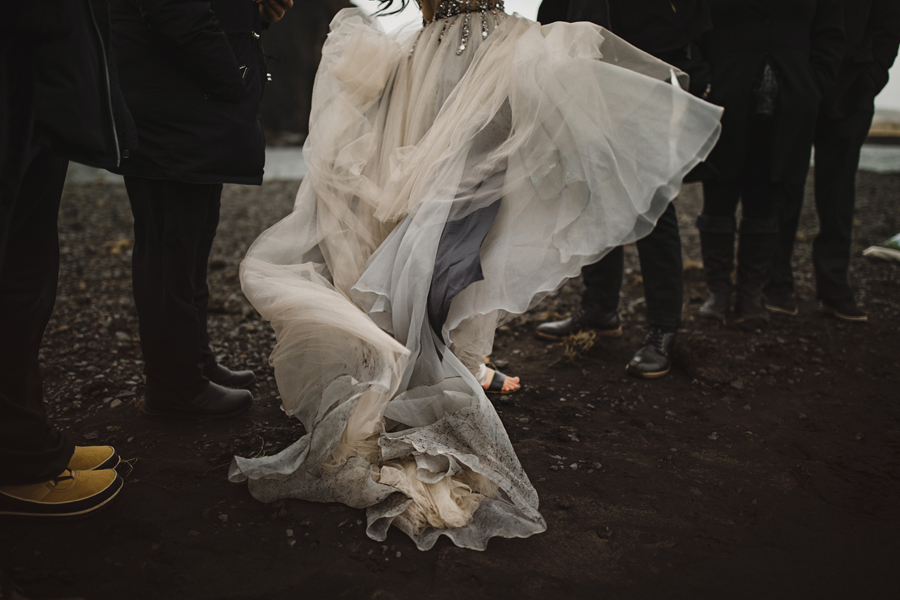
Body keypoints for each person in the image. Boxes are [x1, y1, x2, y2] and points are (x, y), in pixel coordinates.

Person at [228, 0, 721, 550]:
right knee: (439, 221)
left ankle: (446, 357)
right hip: (468, 58)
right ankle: (436, 359)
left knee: (461, 221)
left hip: (464, 59)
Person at [107, 0, 292, 420]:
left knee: (191, 239)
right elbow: (175, 9)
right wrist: (232, 77)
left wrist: (255, 13)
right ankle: (175, 385)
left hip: (187, 98)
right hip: (170, 97)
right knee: (169, 245)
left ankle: (194, 362)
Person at [1, 0, 132, 517]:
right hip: (18, 52)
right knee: (14, 279)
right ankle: (17, 461)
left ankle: (30, 440)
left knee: (28, 272)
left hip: (38, 64)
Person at [535, 0, 713, 379]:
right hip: (583, 75)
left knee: (652, 198)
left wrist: (692, 68)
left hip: (647, 71)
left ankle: (663, 326)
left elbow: (696, 17)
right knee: (595, 195)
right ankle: (600, 307)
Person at [696, 0, 843, 326]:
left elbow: (830, 34)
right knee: (718, 194)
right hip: (723, 98)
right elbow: (694, 26)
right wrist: (704, 81)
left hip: (788, 103)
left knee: (766, 198)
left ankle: (751, 293)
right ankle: (718, 292)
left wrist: (814, 84)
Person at [765, 0, 900, 322]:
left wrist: (872, 77)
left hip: (853, 87)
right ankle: (777, 284)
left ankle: (834, 286)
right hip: (800, 81)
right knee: (785, 184)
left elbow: (889, 26)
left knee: (838, 193)